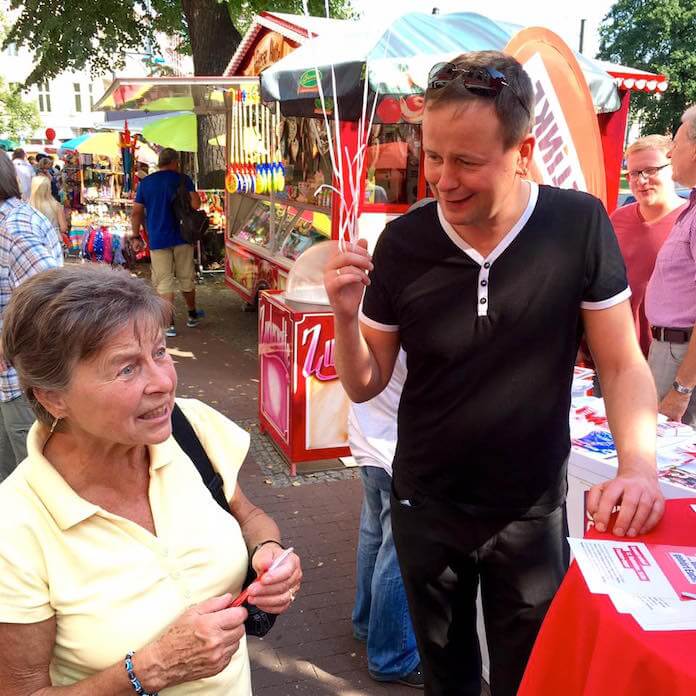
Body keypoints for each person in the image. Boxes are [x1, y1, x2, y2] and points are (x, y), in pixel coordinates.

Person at [324, 51, 663, 696]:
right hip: (426, 502)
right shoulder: (405, 242)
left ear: (522, 151)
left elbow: (622, 364)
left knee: (530, 678)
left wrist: (638, 467)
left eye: (467, 162)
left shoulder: (577, 224)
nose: (442, 181)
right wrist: (344, 319)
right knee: (446, 680)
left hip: (529, 510)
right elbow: (367, 383)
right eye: (433, 156)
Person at [0, 264, 303, 694]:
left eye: (160, 353)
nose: (163, 382)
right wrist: (151, 668)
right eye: (126, 369)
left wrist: (268, 555)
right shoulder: (15, 526)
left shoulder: (190, 429)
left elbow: (248, 515)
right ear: (53, 396)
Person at [349, 349, 422, 688]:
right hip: (397, 449)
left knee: (374, 537)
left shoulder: (366, 301)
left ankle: (366, 624)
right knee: (397, 554)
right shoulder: (406, 306)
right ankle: (390, 657)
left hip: (369, 439)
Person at [0, 151, 63, 481]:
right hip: (16, 383)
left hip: (21, 383)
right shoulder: (13, 221)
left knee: (34, 484)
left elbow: (54, 302)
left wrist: (5, 343)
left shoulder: (12, 229)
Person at [611, 135, 686, 356]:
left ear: (673, 166)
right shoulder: (617, 219)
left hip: (668, 354)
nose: (641, 181)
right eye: (634, 173)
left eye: (651, 170)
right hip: (616, 351)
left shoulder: (688, 221)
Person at [645, 105, 696, 426]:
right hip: (671, 350)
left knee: (668, 468)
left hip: (681, 357)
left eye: (675, 144)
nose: (671, 152)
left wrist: (682, 387)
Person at [132, 148, 202, 338]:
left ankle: (168, 324)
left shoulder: (146, 183)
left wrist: (135, 235)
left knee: (164, 281)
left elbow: (136, 212)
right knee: (186, 276)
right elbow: (196, 205)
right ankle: (192, 313)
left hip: (157, 238)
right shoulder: (183, 179)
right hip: (182, 236)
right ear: (175, 162)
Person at [29, 174, 69, 247]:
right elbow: (63, 228)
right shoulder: (56, 205)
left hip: (35, 241)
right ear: (49, 189)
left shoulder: (29, 206)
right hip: (54, 240)